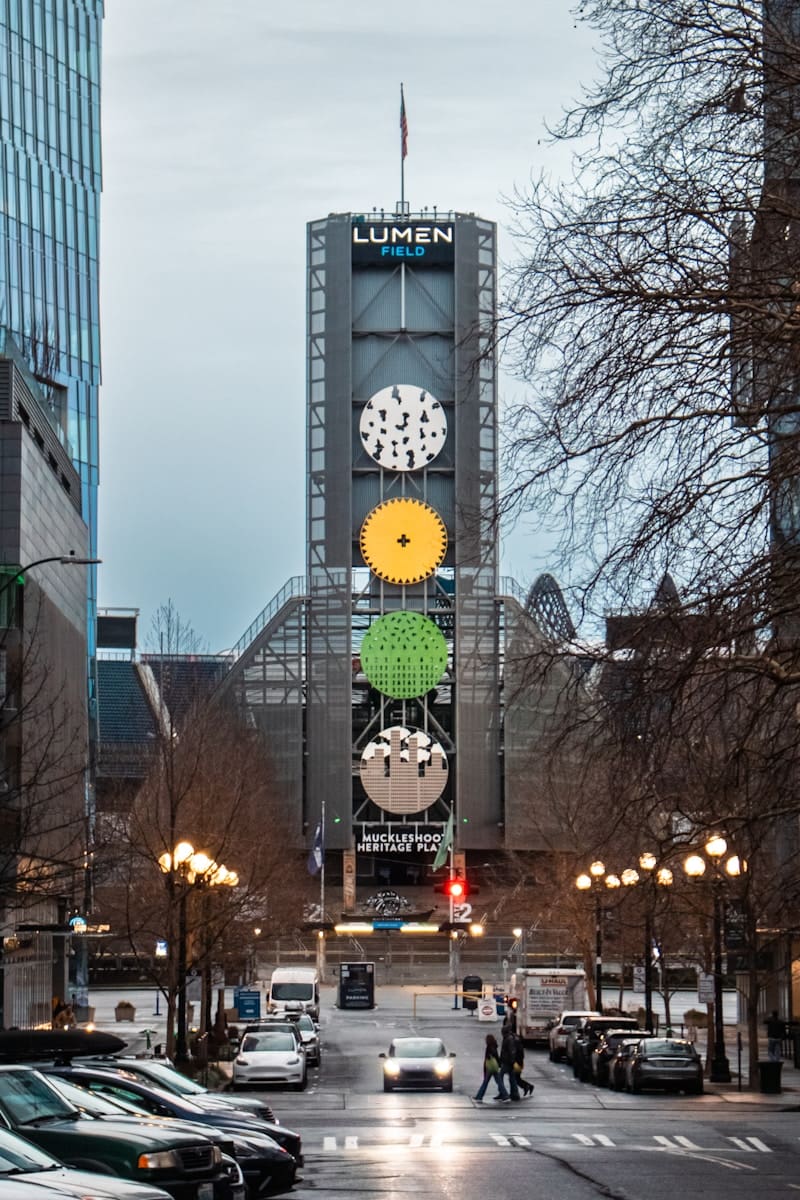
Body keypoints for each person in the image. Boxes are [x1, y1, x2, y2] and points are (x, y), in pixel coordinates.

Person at [474, 1032, 508, 1102]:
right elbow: (497, 1056)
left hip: (490, 1067)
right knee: (499, 1082)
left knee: (485, 1082)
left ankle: (479, 1096)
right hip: (495, 1067)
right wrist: (499, 1064)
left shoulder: (489, 1047)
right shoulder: (495, 1045)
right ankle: (505, 1095)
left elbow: (488, 1058)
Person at [499, 1022, 521, 1101]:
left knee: (500, 1076)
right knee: (512, 1078)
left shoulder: (509, 1039)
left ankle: (503, 1093)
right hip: (508, 1061)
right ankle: (515, 1093)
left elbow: (511, 1051)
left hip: (507, 1062)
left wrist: (511, 1061)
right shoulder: (508, 1038)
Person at [513, 1032, 534, 1097]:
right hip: (519, 1063)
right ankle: (528, 1086)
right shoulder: (519, 1044)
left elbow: (517, 1055)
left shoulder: (517, 1044)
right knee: (517, 1078)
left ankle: (527, 1086)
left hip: (517, 1064)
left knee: (515, 1078)